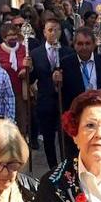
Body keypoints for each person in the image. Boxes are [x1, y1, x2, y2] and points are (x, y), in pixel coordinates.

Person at [30, 17, 80, 166]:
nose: (53, 33)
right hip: (45, 101)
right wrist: (28, 69)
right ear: (45, 32)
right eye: (50, 30)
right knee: (48, 137)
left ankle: (68, 165)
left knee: (65, 137)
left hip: (64, 101)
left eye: (56, 30)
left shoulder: (68, 52)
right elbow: (32, 78)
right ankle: (53, 166)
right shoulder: (36, 53)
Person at [62, 26, 101, 95]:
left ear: (94, 44)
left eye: (88, 43)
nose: (84, 47)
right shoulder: (66, 64)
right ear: (74, 45)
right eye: (80, 44)